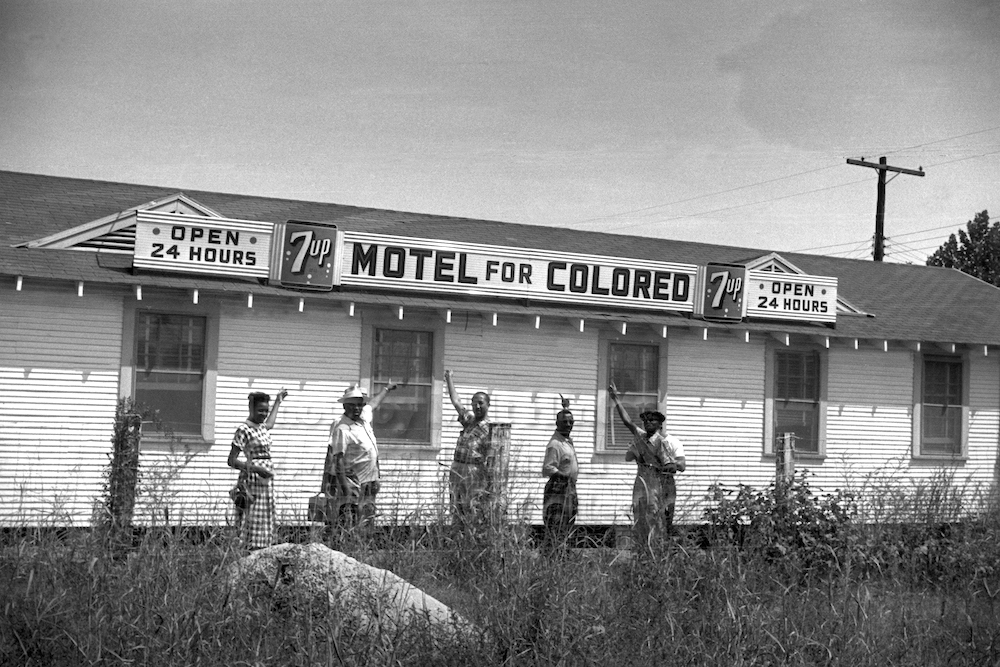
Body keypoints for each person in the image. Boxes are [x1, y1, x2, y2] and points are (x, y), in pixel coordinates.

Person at [608, 382, 686, 551]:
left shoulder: (664, 443)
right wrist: (615, 399)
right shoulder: (641, 437)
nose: (648, 423)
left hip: (659, 484)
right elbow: (627, 421)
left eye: (653, 420)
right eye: (646, 420)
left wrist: (669, 466)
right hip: (642, 483)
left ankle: (656, 551)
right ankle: (641, 549)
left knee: (657, 518)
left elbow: (676, 465)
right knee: (640, 515)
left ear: (660, 425)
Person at [324, 381, 397, 532]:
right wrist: (345, 488)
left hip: (370, 478)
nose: (356, 408)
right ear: (345, 405)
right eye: (352, 404)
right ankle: (347, 547)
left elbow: (374, 404)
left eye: (360, 404)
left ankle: (365, 545)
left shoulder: (363, 418)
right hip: (353, 481)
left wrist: (387, 389)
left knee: (368, 516)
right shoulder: (342, 427)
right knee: (350, 517)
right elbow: (336, 458)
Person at [228, 388, 287, 550]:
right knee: (252, 517)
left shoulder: (262, 427)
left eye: (265, 411)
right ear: (251, 408)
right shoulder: (244, 430)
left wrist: (278, 401)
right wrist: (255, 468)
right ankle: (250, 551)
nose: (263, 414)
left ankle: (265, 549)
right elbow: (231, 461)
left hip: (266, 481)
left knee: (267, 515)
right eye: (260, 410)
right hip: (252, 478)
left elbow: (270, 423)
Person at [444, 369, 492, 522]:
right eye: (474, 403)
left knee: (471, 507)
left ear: (488, 405)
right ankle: (457, 535)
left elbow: (492, 458)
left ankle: (471, 537)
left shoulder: (490, 429)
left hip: (473, 470)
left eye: (481, 403)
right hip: (458, 468)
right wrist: (448, 378)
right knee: (456, 506)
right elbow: (456, 401)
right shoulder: (469, 422)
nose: (477, 406)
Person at [541, 395, 579, 549]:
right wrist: (565, 476)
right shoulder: (555, 444)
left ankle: (563, 558)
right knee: (556, 527)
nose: (568, 425)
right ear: (556, 423)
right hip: (558, 490)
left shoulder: (567, 441)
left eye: (571, 422)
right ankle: (552, 558)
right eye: (564, 422)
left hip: (569, 488)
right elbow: (548, 468)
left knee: (567, 525)